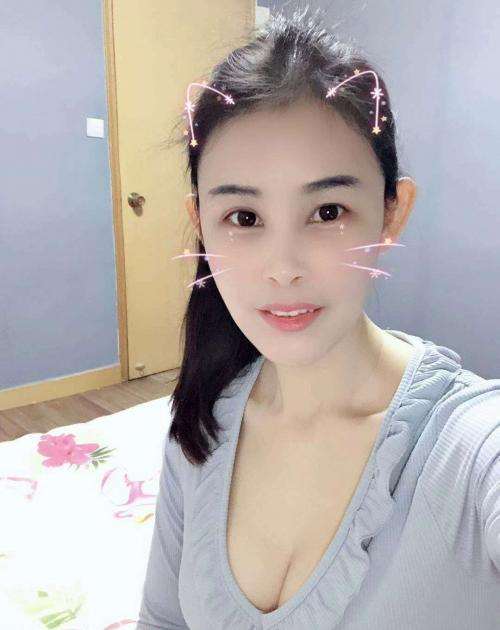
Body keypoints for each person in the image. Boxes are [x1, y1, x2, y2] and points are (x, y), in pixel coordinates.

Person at [137, 6, 500, 629]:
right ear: (201, 223)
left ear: (392, 211)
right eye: (244, 218)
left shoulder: (470, 448)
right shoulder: (200, 421)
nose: (283, 269)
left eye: (328, 212)